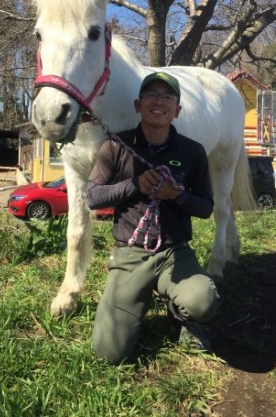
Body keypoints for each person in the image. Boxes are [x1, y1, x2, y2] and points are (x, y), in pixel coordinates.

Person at [86, 71, 220, 364]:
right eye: (151, 95)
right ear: (138, 105)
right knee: (107, 354)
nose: (159, 101)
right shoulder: (115, 146)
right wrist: (134, 185)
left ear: (177, 110)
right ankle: (136, 299)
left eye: (167, 96)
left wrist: (178, 195)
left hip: (175, 252)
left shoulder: (193, 152)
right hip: (131, 253)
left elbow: (205, 207)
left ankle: (179, 314)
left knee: (203, 303)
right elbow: (92, 197)